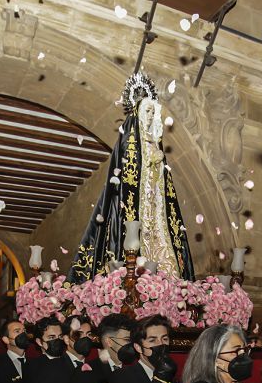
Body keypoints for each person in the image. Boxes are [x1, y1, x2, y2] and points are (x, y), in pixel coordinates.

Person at [68, 72, 194, 282]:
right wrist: (149, 160)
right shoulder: (130, 135)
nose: (151, 114)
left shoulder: (155, 142)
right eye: (148, 110)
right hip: (136, 202)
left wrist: (157, 163)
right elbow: (127, 170)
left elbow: (162, 180)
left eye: (153, 111)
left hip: (154, 201)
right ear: (138, 111)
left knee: (162, 238)